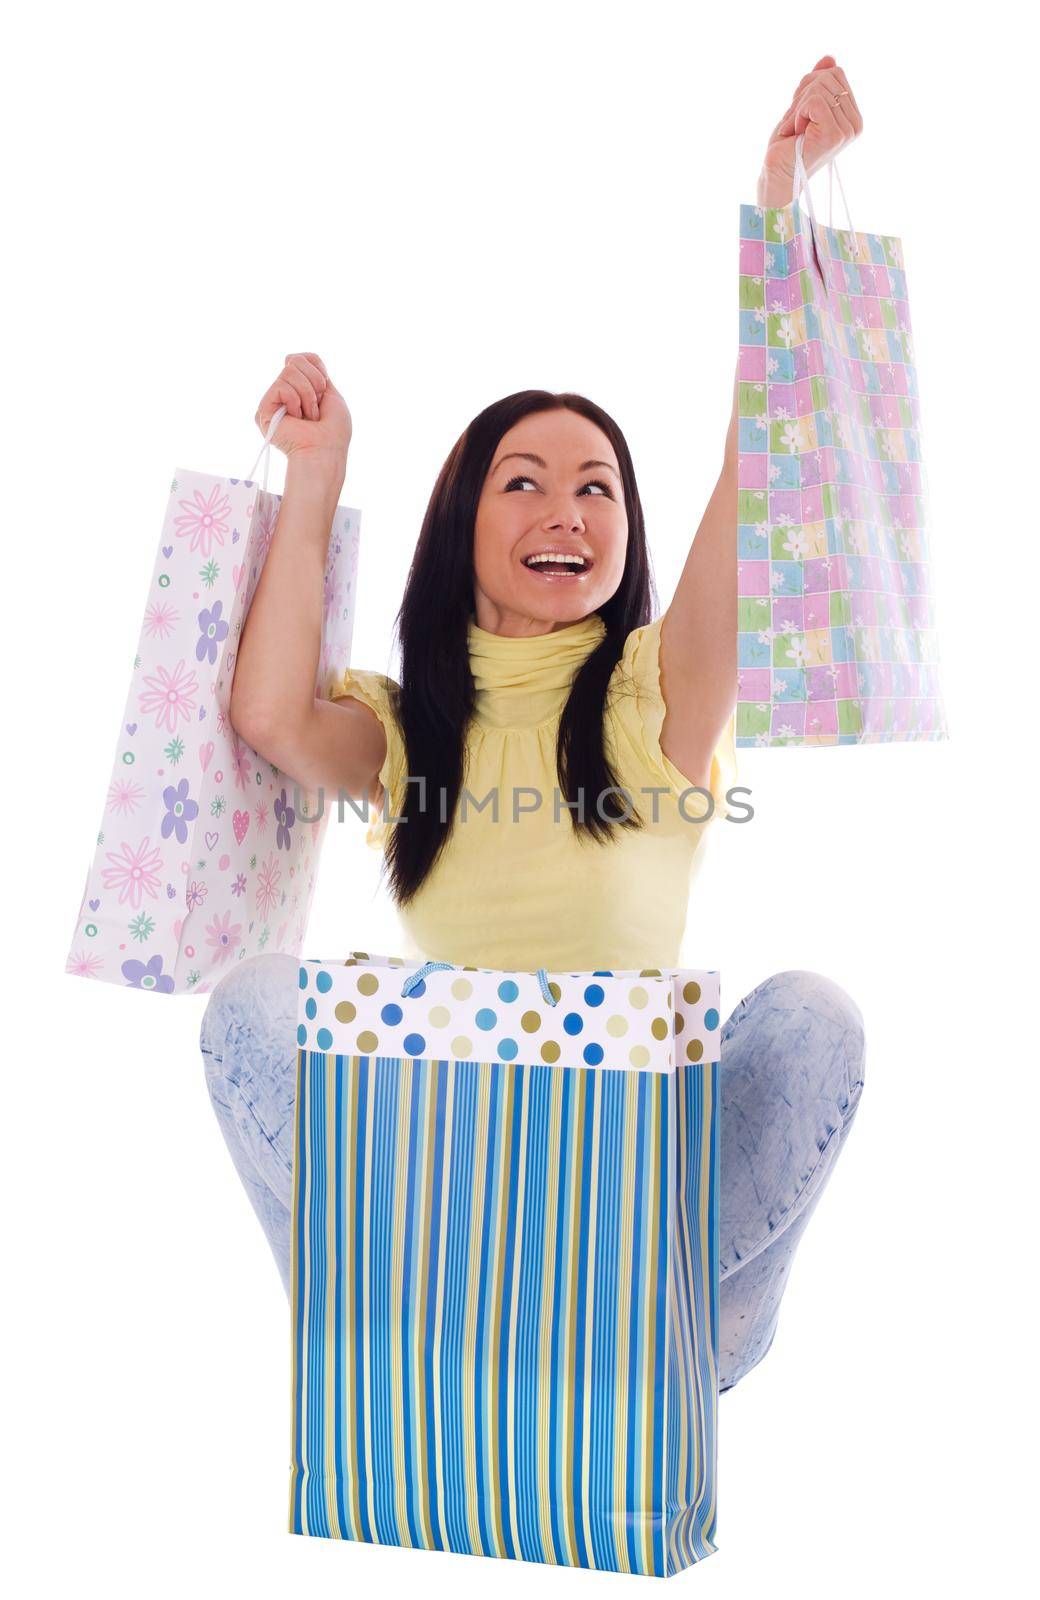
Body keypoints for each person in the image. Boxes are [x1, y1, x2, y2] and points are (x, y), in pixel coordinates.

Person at [201, 56, 866, 1390]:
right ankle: (401, 1319)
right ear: (466, 526)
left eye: (598, 488)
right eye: (525, 482)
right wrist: (318, 473)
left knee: (812, 1024)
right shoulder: (405, 738)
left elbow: (760, 470)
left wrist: (782, 210)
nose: (569, 511)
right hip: (453, 1203)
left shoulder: (655, 698)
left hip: (643, 1220)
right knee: (253, 1007)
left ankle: (681, 1329)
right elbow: (270, 714)